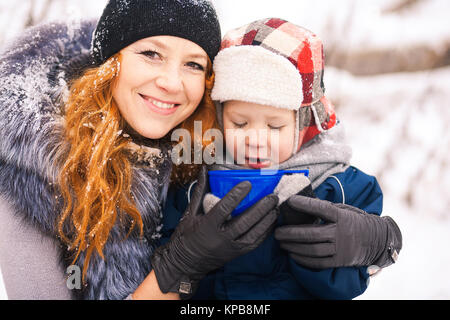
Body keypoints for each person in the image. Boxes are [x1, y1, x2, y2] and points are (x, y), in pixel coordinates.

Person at [0, 0, 279, 300]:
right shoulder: (28, 178)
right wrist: (178, 268)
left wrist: (333, 249)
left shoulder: (198, 149)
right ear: (110, 61)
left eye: (193, 64)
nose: (172, 83)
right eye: (151, 54)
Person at [161, 17, 403, 299]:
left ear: (302, 127)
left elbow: (350, 284)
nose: (255, 139)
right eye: (240, 123)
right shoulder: (197, 182)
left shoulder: (337, 185)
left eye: (274, 126)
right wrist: (187, 255)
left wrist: (353, 241)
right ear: (219, 116)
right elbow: (167, 276)